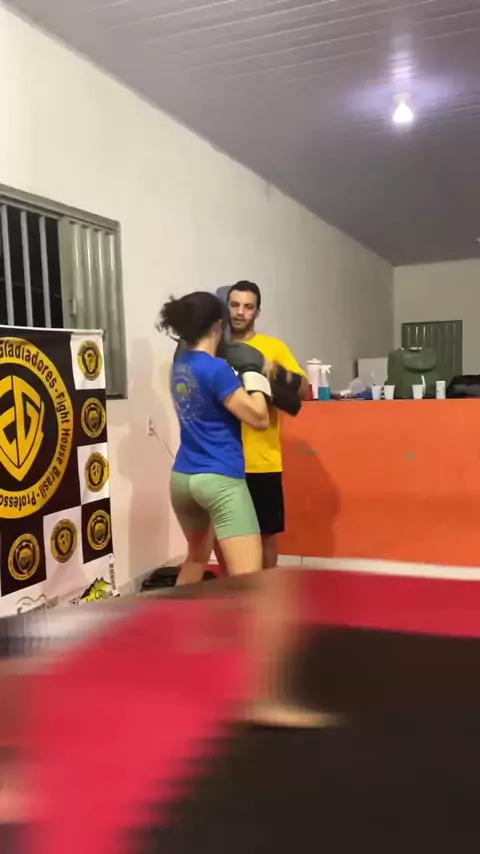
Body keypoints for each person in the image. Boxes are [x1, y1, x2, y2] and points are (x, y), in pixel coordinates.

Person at [158, 291, 272, 584]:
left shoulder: (180, 367)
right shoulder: (217, 369)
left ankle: (173, 614)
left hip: (183, 478)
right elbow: (259, 418)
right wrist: (255, 373)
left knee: (196, 559)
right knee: (248, 581)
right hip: (220, 479)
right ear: (217, 325)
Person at [217, 281, 308, 570]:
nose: (240, 312)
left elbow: (303, 389)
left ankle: (267, 588)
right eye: (234, 305)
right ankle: (232, 589)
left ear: (257, 312)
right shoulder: (216, 348)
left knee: (265, 535)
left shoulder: (272, 347)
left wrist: (268, 369)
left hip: (261, 461)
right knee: (225, 536)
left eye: (248, 307)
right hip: (222, 461)